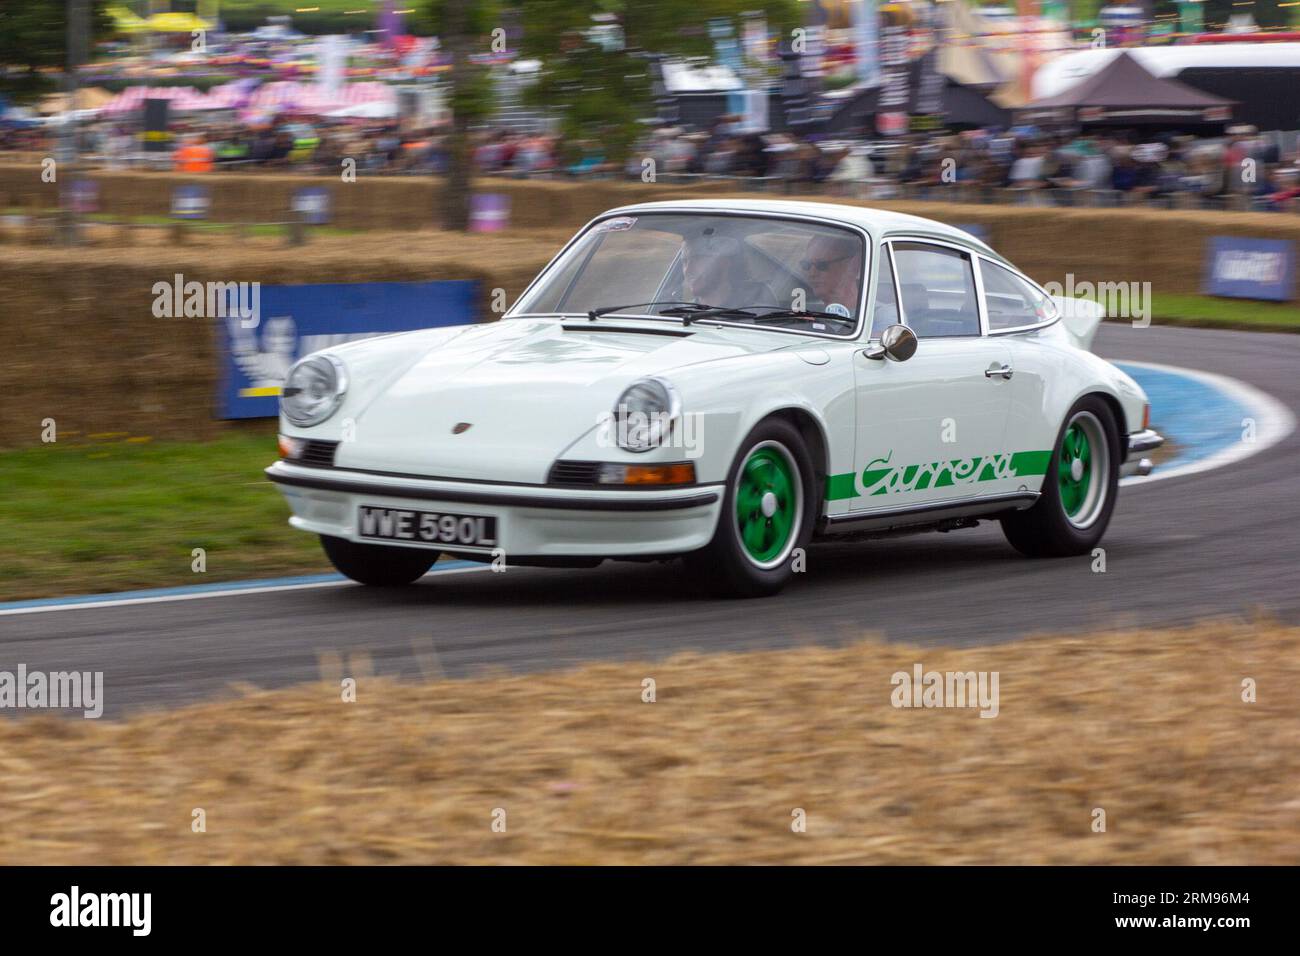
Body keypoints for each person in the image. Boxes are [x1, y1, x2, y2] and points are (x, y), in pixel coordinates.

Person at [680, 229, 776, 308]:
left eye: (697, 259)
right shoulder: (680, 313)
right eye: (685, 261)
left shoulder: (756, 314)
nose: (688, 270)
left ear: (723, 262)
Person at [799, 232, 862, 315]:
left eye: (821, 265)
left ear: (853, 266)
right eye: (806, 265)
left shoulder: (877, 319)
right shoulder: (805, 311)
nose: (812, 273)